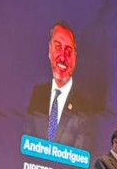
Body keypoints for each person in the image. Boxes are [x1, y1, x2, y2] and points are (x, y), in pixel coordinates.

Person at [25, 22, 106, 152]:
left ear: (75, 58)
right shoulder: (37, 94)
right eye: (58, 47)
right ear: (49, 50)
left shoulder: (86, 105)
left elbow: (82, 154)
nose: (62, 57)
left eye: (68, 51)